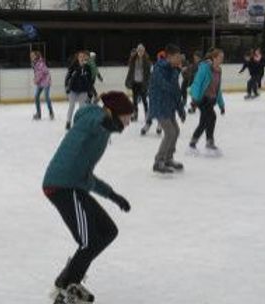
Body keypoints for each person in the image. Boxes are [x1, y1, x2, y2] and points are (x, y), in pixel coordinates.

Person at [43, 91, 133, 304]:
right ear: (112, 113)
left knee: (108, 231)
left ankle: (68, 278)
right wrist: (103, 120)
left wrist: (112, 195)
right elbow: (90, 121)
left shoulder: (104, 132)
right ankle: (65, 291)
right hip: (61, 185)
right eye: (126, 117)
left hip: (76, 185)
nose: (129, 123)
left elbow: (86, 175)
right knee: (88, 241)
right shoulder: (93, 120)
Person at [148, 44, 185, 174]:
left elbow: (176, 92)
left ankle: (168, 158)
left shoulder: (173, 70)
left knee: (176, 130)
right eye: (176, 57)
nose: (179, 60)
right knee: (170, 132)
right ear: (169, 57)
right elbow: (167, 87)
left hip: (169, 106)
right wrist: (176, 74)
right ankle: (158, 161)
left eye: (179, 57)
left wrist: (181, 109)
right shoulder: (158, 69)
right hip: (159, 105)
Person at [189, 48, 226, 153]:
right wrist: (195, 100)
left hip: (211, 100)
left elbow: (217, 89)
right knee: (210, 117)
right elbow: (197, 83)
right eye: (220, 57)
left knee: (204, 121)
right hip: (202, 99)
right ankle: (208, 142)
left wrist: (221, 105)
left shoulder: (219, 70)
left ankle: (193, 143)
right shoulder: (204, 68)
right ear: (214, 58)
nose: (222, 59)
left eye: (222, 58)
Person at [65, 50, 93, 130]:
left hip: (83, 90)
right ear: (77, 58)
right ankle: (68, 122)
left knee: (82, 107)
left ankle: (81, 122)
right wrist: (67, 87)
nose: (82, 58)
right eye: (80, 56)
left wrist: (90, 91)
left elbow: (90, 80)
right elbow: (67, 77)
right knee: (72, 105)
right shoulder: (73, 66)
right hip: (73, 90)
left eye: (83, 57)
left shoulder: (87, 68)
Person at [125, 43, 151, 121]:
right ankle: (135, 114)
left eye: (142, 50)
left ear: (144, 51)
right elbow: (130, 72)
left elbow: (148, 73)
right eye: (139, 50)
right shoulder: (133, 59)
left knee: (144, 99)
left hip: (143, 83)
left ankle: (147, 113)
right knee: (134, 100)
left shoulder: (146, 60)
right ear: (137, 51)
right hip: (135, 82)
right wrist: (128, 81)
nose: (140, 52)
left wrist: (148, 82)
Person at [31, 50, 54, 120]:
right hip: (41, 82)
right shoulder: (35, 63)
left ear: (36, 56)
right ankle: (39, 114)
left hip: (46, 82)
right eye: (31, 56)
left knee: (46, 97)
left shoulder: (40, 63)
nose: (31, 57)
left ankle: (51, 113)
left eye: (33, 55)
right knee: (36, 97)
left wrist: (36, 80)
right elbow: (37, 73)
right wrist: (36, 79)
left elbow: (41, 73)